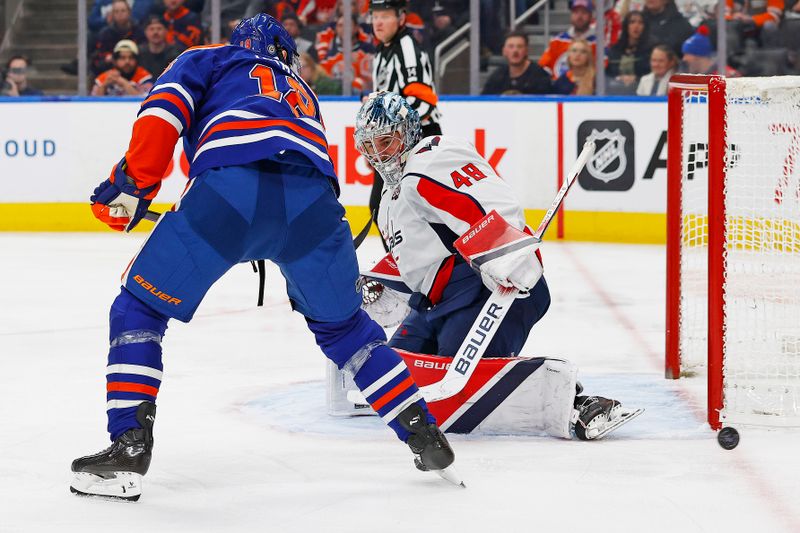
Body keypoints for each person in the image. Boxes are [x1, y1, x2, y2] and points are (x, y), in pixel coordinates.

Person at [70, 14, 458, 501]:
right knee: (347, 330)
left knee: (137, 309)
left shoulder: (209, 59)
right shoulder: (301, 87)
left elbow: (163, 113)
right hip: (316, 209)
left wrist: (133, 184)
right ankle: (423, 433)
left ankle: (129, 446)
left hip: (231, 193)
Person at [335, 91, 640, 441]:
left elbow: (488, 205)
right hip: (439, 303)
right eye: (369, 146)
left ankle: (576, 405)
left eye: (385, 141)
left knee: (458, 399)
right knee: (396, 374)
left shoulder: (428, 163)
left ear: (407, 132)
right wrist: (382, 284)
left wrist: (507, 253)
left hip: (487, 287)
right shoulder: (390, 199)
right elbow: (422, 258)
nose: (378, 154)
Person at [370, 0, 442, 250]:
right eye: (375, 16)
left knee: (394, 209)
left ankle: (416, 271)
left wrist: (398, 129)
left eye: (385, 16)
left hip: (416, 138)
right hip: (395, 142)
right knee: (384, 208)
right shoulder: (382, 51)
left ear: (401, 18)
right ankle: (404, 269)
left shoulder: (406, 47)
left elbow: (423, 100)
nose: (378, 22)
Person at [539, 0, 597, 79]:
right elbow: (543, 66)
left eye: (584, 13)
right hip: (558, 89)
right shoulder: (557, 40)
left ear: (591, 16)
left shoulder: (598, 44)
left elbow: (600, 71)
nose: (579, 16)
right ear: (571, 15)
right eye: (576, 12)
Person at [481, 31, 552, 95]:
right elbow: (484, 101)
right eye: (511, 46)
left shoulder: (540, 76)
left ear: (526, 50)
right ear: (504, 51)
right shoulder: (497, 76)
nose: (515, 51)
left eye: (520, 46)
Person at [91, 0, 147, 76]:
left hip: (135, 64)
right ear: (112, 14)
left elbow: (144, 47)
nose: (120, 14)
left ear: (129, 12)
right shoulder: (105, 33)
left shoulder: (138, 30)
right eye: (116, 11)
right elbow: (101, 52)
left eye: (123, 11)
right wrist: (110, 57)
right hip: (111, 66)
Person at [605, 10, 652, 94]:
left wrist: (637, 78)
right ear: (626, 26)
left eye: (640, 23)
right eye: (632, 22)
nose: (636, 26)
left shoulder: (651, 50)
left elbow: (652, 73)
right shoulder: (615, 49)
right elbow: (607, 73)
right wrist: (618, 78)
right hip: (615, 92)